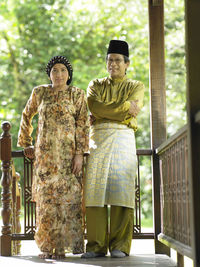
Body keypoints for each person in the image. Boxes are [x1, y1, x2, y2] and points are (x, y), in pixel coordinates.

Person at [17, 55, 89, 259]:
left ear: (69, 74)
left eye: (63, 70)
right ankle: (47, 247)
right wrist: (26, 142)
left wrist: (79, 155)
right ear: (49, 74)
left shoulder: (77, 94)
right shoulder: (39, 92)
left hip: (68, 159)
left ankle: (62, 248)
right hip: (46, 158)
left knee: (69, 201)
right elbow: (26, 114)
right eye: (54, 70)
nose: (58, 74)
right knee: (46, 203)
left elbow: (83, 124)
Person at [81, 40, 144, 259]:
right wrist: (125, 107)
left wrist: (104, 112)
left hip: (123, 138)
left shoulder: (136, 86)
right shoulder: (95, 85)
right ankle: (96, 245)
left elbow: (104, 110)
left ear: (126, 63)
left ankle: (120, 245)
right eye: (110, 60)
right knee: (95, 191)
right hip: (98, 138)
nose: (113, 64)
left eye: (117, 60)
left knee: (121, 190)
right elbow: (94, 106)